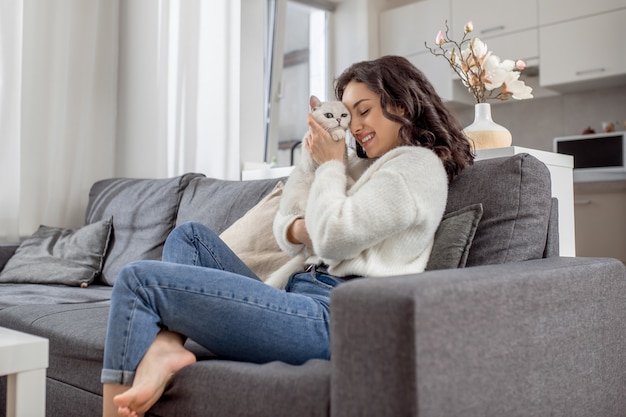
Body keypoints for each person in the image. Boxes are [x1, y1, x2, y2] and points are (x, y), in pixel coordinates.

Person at [101, 55, 474, 417]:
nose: (355, 126)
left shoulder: (417, 166)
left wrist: (330, 168)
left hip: (336, 317)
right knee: (190, 238)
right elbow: (288, 223)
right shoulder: (362, 166)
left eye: (364, 110)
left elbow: (330, 237)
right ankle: (167, 346)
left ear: (402, 107)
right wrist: (316, 157)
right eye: (347, 115)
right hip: (299, 294)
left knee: (138, 281)